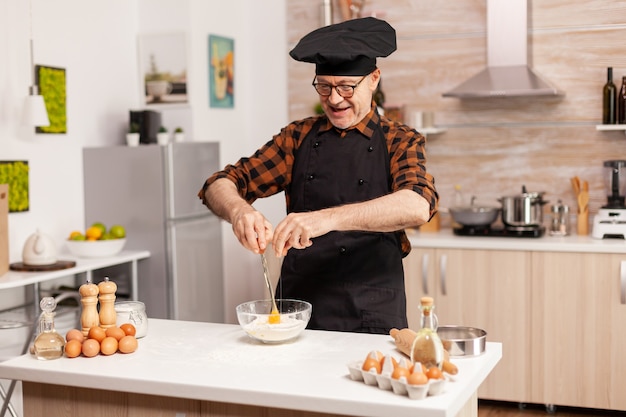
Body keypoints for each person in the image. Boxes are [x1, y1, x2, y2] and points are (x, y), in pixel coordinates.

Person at [198, 17, 438, 334]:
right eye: (324, 87)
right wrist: (240, 211)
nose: (334, 99)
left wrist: (324, 219)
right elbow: (219, 183)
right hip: (299, 310)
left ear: (374, 79)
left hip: (374, 310)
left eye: (345, 87)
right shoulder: (297, 138)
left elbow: (417, 204)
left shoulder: (400, 140)